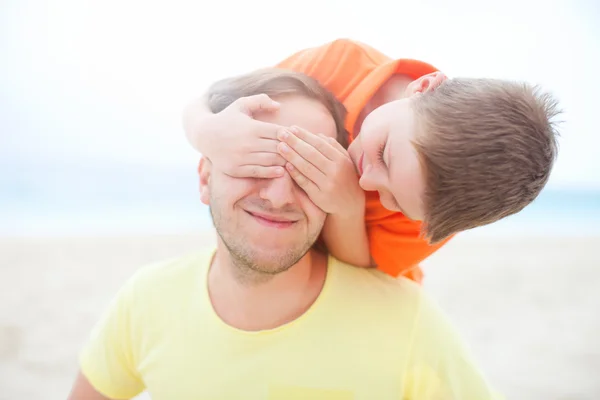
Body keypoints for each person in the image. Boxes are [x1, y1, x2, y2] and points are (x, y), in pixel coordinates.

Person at [68, 69, 500, 400]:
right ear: (205, 176)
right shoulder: (145, 301)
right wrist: (202, 127)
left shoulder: (409, 322)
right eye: (258, 161)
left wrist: (348, 208)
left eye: (308, 171)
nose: (278, 195)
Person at [183, 38, 560, 280]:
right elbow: (213, 98)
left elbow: (364, 271)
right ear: (424, 86)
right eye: (384, 154)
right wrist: (207, 131)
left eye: (392, 200)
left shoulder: (440, 211)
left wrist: (348, 208)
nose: (367, 182)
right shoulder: (337, 63)